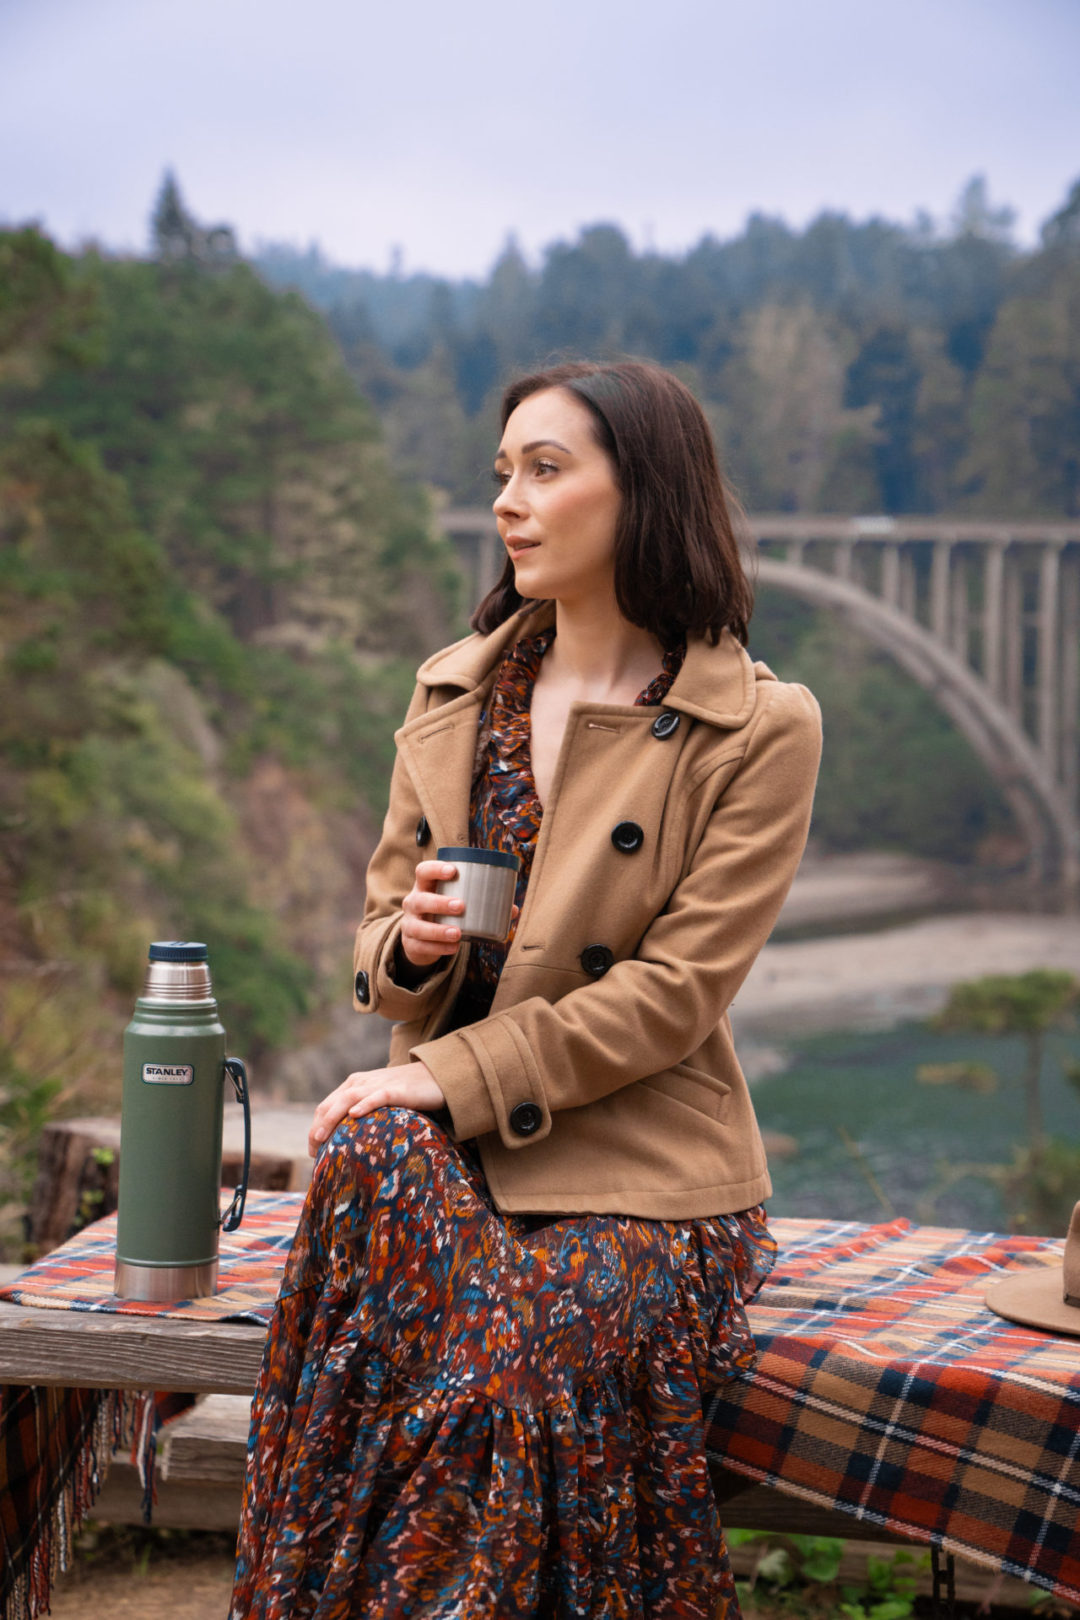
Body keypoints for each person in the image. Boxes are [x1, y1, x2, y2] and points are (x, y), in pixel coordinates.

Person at [230, 360, 822, 1620]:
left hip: (645, 1170)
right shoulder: (454, 689)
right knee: (378, 1154)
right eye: (503, 471)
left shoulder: (761, 727)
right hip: (449, 1151)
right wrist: (419, 945)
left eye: (546, 470)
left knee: (508, 1378)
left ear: (645, 493)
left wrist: (438, 1074)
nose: (509, 499)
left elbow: (673, 996)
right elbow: (376, 935)